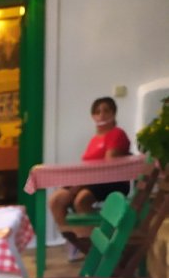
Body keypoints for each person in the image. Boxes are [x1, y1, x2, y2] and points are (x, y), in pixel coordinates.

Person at [49, 97, 131, 258]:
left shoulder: (117, 134)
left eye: (106, 110)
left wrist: (77, 187)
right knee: (56, 200)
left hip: (112, 180)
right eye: (97, 112)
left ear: (114, 113)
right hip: (89, 181)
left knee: (82, 199)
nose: (102, 115)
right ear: (93, 116)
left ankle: (96, 247)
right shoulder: (94, 139)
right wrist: (73, 184)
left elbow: (108, 165)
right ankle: (76, 240)